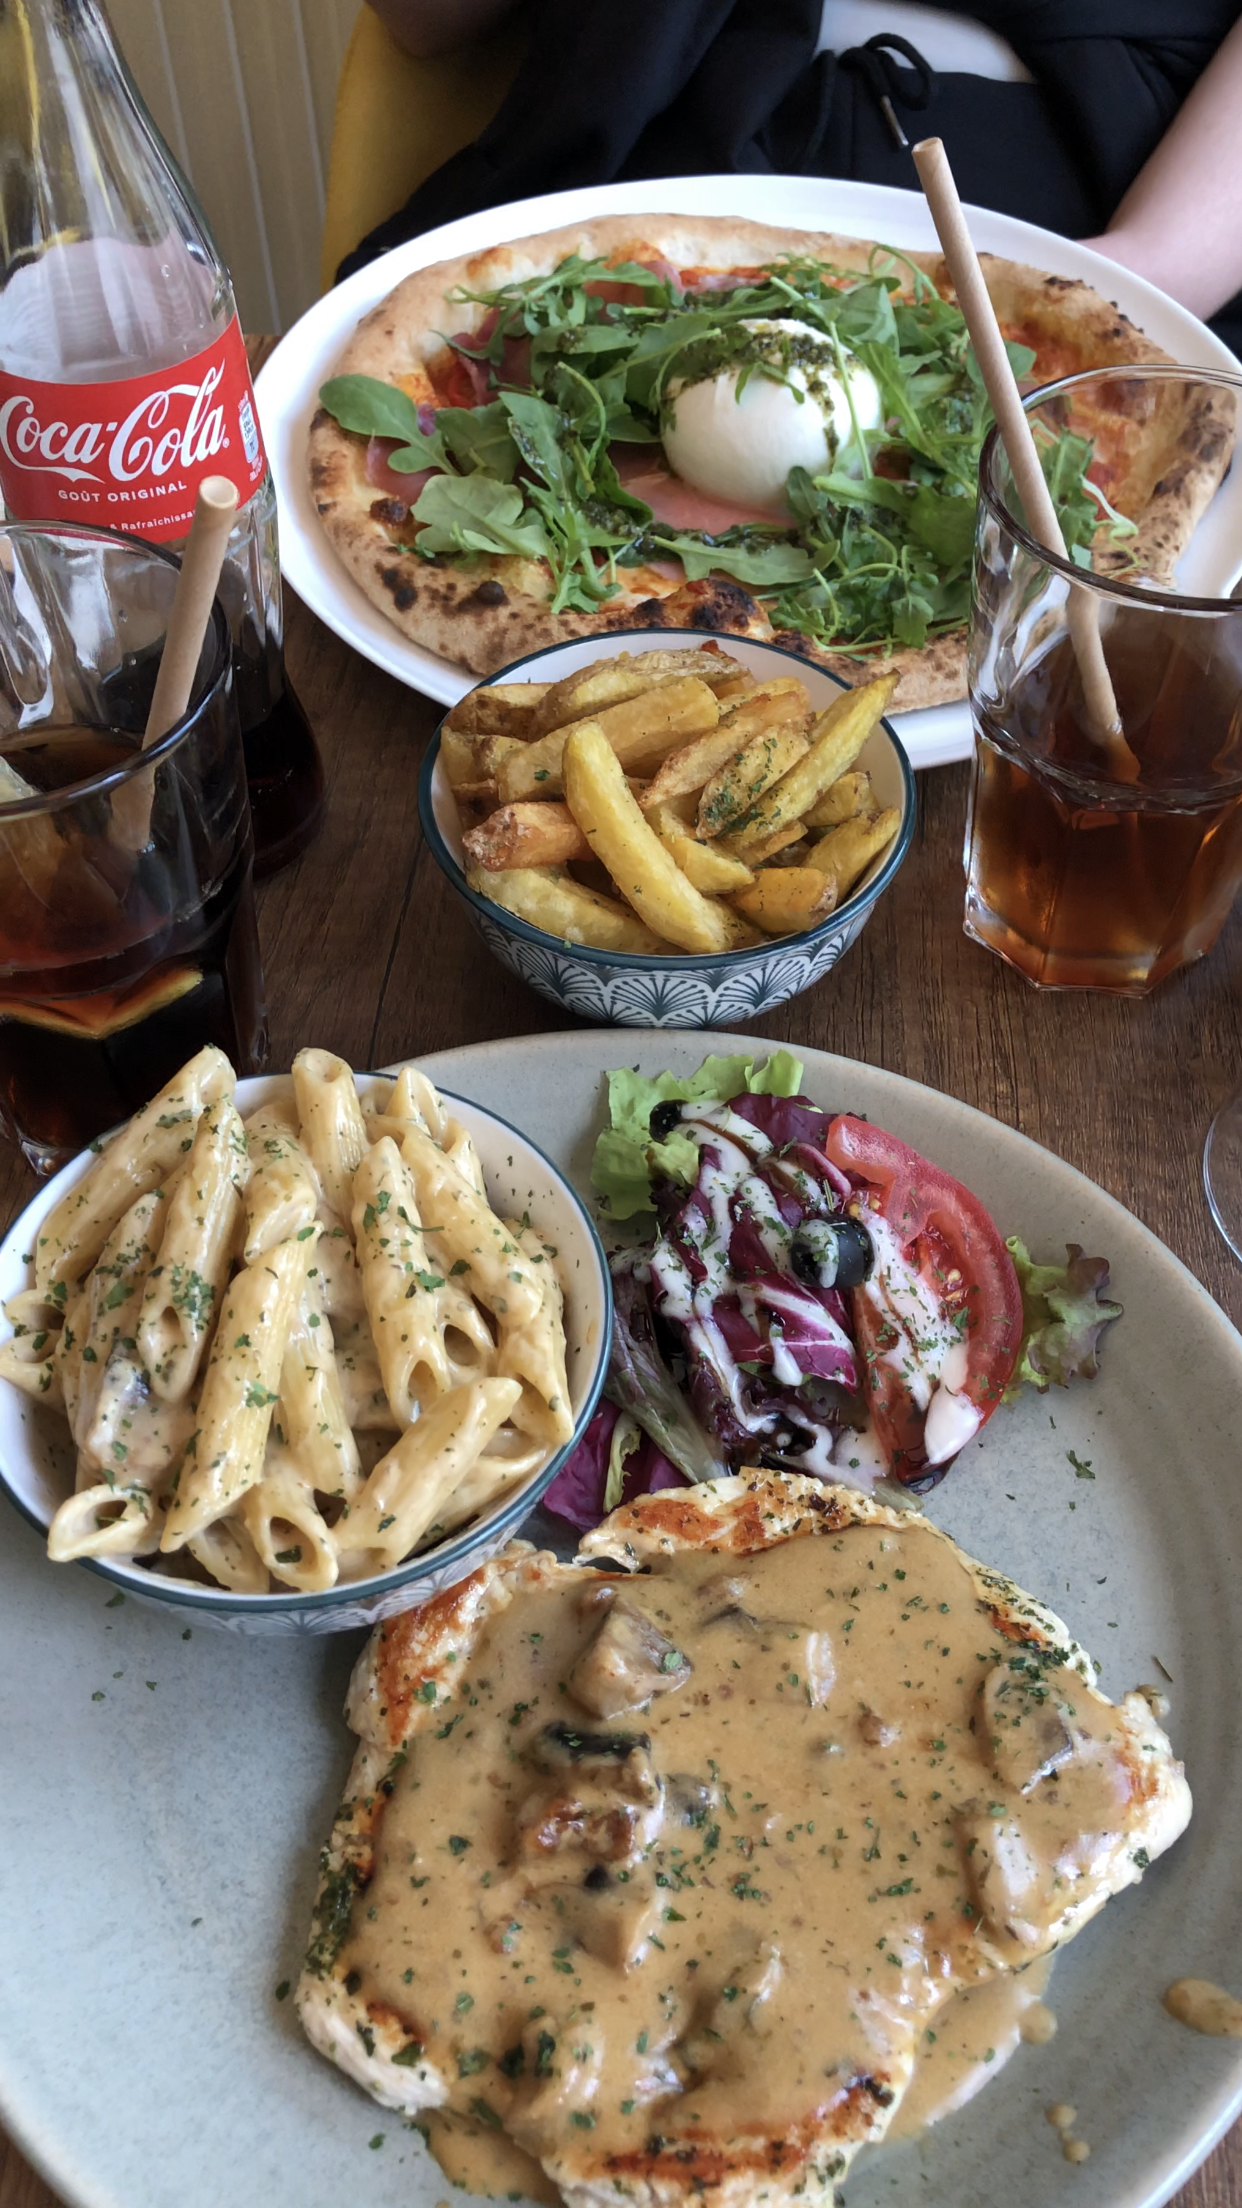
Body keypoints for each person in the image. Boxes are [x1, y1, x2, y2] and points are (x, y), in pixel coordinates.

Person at [350, 0, 1242, 350]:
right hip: (639, 165)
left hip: (1090, 218)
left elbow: (1149, 277)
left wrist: (1126, 291)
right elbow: (423, 20)